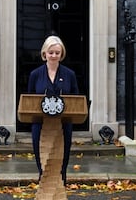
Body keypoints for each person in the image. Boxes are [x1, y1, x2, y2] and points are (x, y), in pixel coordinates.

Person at [28, 35, 79, 185]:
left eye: (57, 53)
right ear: (45, 53)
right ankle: (44, 184)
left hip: (63, 124)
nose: (54, 56)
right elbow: (29, 100)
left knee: (62, 156)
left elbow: (75, 99)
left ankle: (60, 183)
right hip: (41, 124)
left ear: (61, 54)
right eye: (51, 52)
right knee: (42, 157)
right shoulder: (35, 74)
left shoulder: (70, 74)